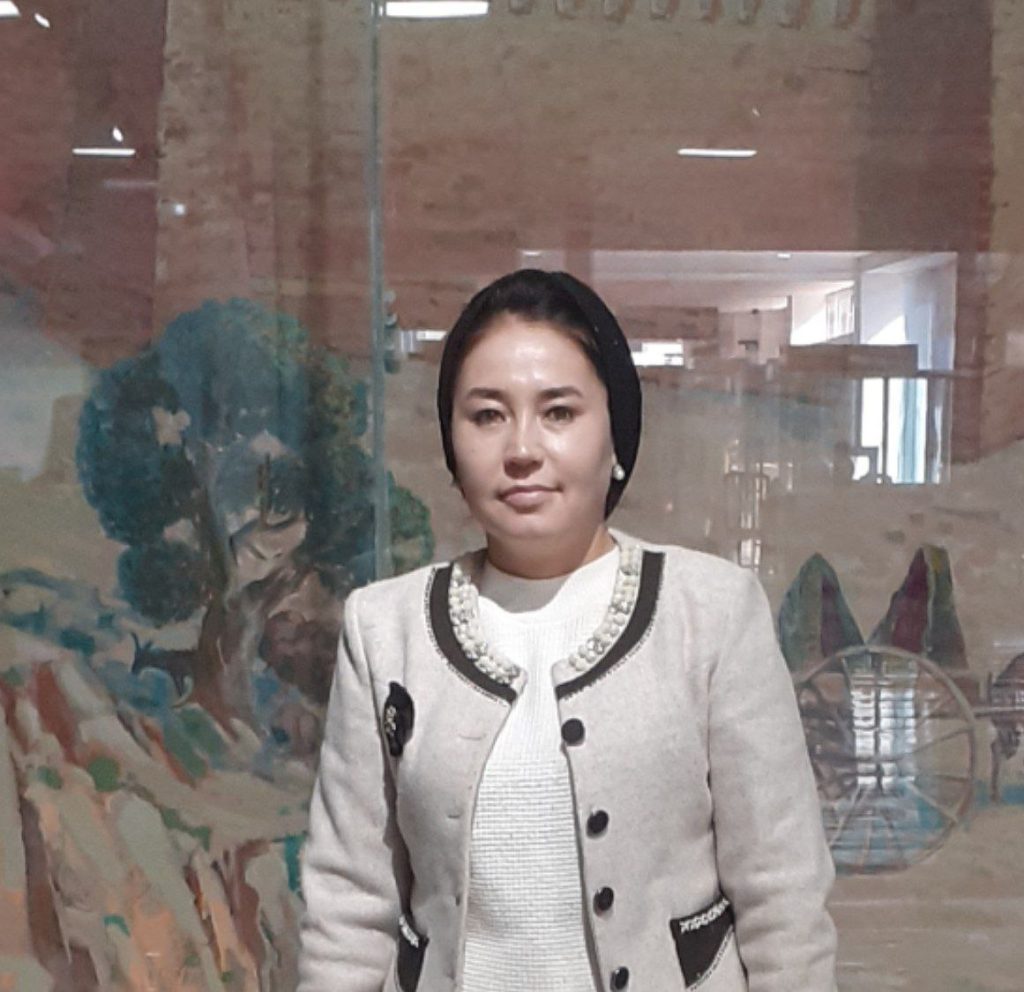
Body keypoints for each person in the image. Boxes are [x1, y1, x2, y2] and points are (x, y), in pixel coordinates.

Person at [297, 269, 837, 992]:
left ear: (616, 435)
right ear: (452, 446)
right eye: (487, 415)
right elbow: (347, 905)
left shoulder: (710, 613)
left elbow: (783, 897)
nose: (522, 448)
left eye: (558, 412)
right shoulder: (384, 629)